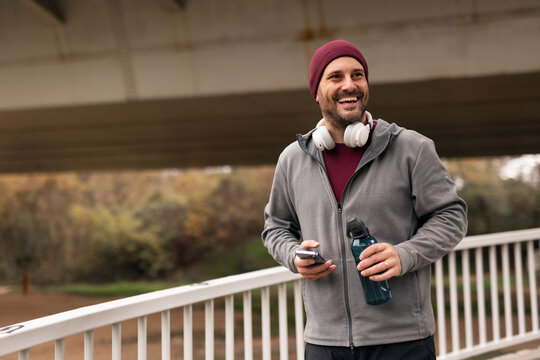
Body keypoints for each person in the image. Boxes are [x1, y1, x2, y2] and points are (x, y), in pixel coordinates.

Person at [262, 39, 467, 360]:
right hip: (323, 342)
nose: (349, 85)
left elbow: (451, 216)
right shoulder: (292, 159)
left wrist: (406, 254)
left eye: (358, 75)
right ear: (316, 92)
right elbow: (275, 227)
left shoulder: (412, 148)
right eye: (335, 77)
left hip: (403, 341)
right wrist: (293, 255)